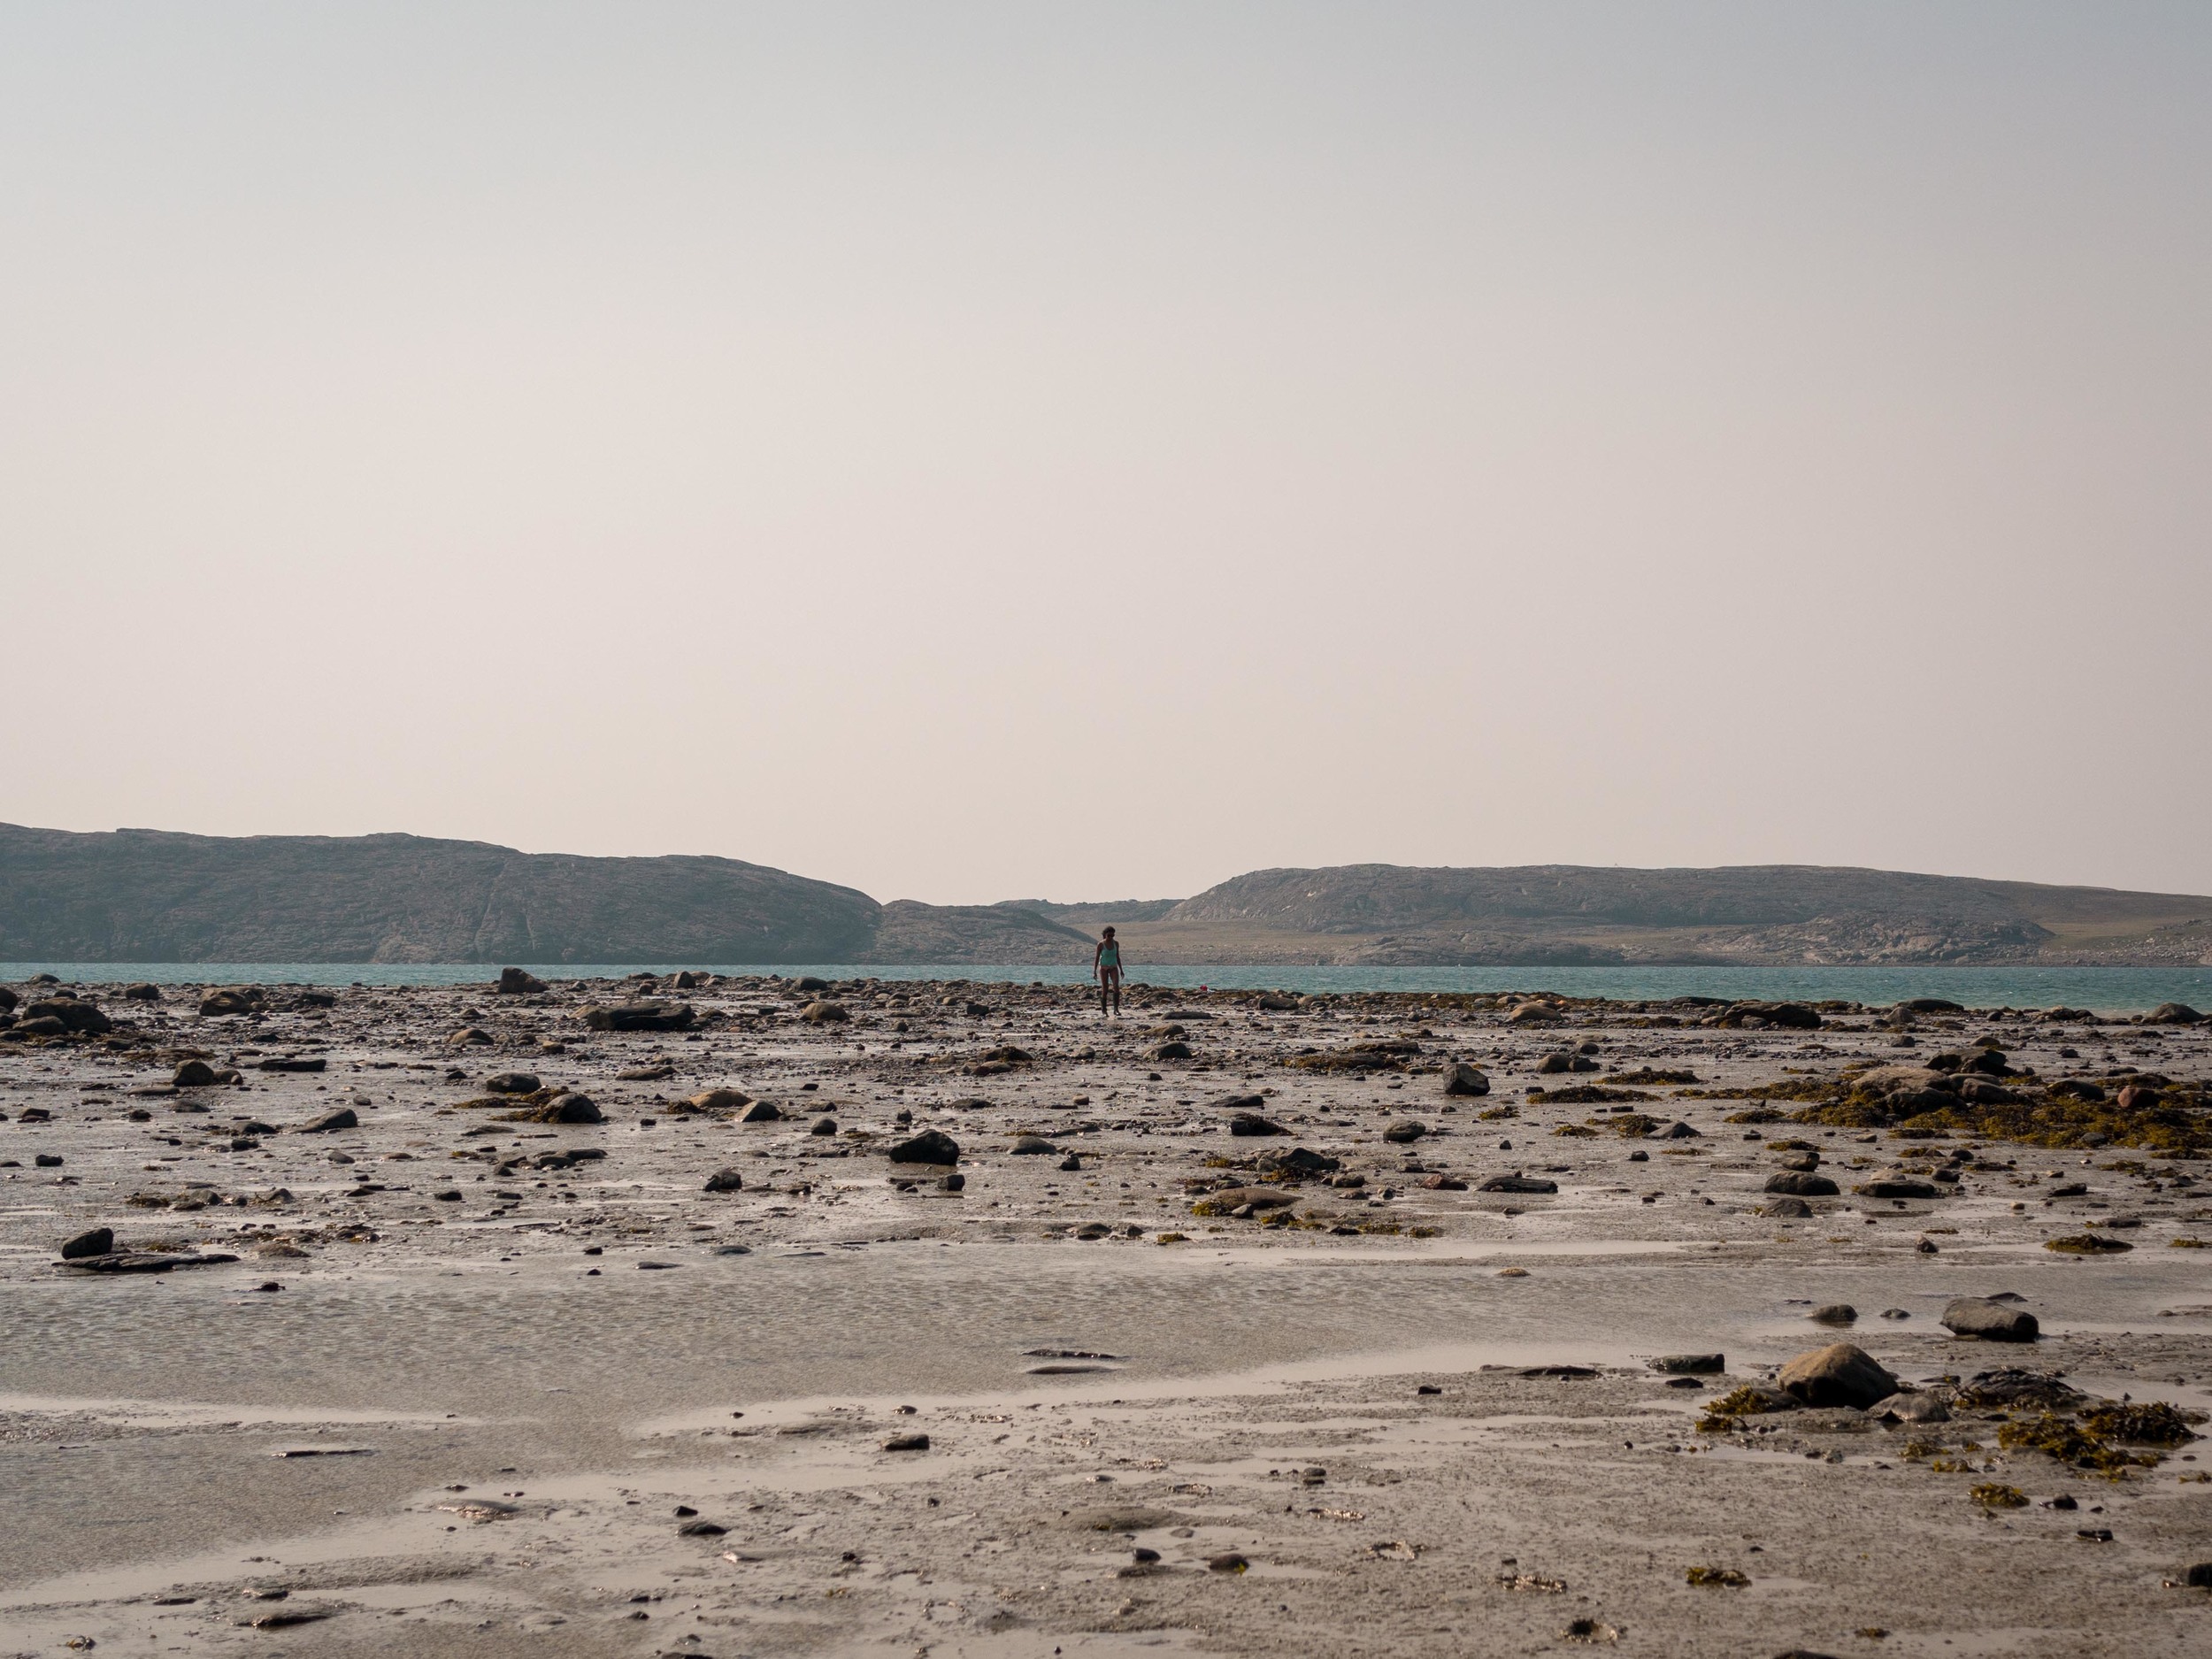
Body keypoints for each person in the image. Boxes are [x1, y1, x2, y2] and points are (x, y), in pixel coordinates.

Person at [1093, 926, 1124, 1017]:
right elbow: (1097, 958)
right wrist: (1094, 971)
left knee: (1116, 986)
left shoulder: (1116, 944)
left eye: (1113, 935)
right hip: (1103, 968)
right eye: (1109, 935)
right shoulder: (1101, 945)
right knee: (1105, 988)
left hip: (1113, 967)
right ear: (1105, 935)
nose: (1111, 937)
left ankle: (1116, 1009)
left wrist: (1121, 970)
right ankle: (1104, 1010)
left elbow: (1117, 956)